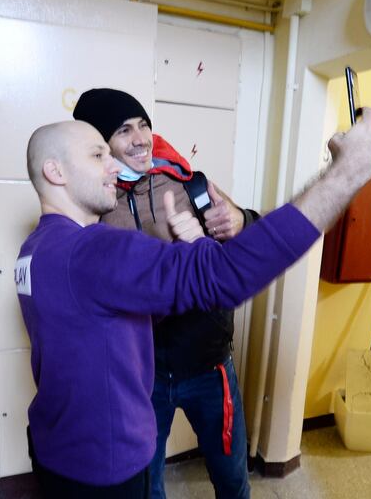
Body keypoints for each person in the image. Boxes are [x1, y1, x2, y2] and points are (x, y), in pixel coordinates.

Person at [16, 112, 371, 498]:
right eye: (97, 155)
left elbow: (101, 320)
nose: (114, 165)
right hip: (107, 468)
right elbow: (224, 276)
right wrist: (347, 173)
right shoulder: (93, 249)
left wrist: (197, 248)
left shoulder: (35, 250)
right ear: (55, 171)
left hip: (55, 451)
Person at [73, 87, 254, 498]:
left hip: (210, 366)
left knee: (232, 480)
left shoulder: (192, 185)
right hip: (139, 375)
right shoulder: (92, 206)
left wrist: (242, 221)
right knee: (145, 486)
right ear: (99, 145)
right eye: (123, 130)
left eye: (144, 126)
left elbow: (248, 248)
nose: (140, 139)